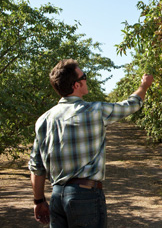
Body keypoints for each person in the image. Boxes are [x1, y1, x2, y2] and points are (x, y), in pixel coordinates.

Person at [28, 59, 153, 227]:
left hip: (57, 195)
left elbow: (37, 167)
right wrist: (144, 86)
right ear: (76, 85)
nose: (87, 79)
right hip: (85, 196)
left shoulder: (44, 120)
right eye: (84, 76)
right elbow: (130, 105)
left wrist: (38, 200)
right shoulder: (94, 111)